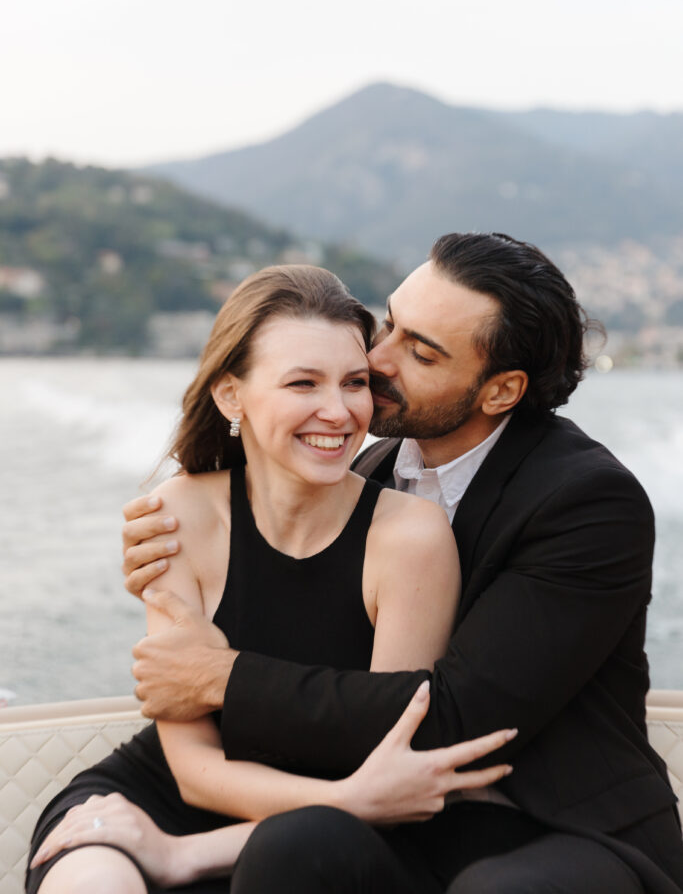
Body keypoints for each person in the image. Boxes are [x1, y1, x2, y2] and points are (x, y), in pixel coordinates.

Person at [120, 233, 683, 893]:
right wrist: (176, 547)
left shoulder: (586, 503)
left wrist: (220, 678)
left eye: (419, 351)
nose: (375, 358)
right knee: (293, 847)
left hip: (560, 827)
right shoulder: (369, 466)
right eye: (389, 323)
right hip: (403, 817)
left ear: (499, 390)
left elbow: (450, 718)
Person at [26, 264, 514, 894]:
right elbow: (194, 768)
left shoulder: (410, 538)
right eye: (302, 383)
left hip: (322, 835)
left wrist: (187, 852)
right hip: (169, 795)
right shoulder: (177, 515)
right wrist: (356, 799)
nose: (338, 412)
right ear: (232, 396)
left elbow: (383, 758)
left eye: (355, 383)